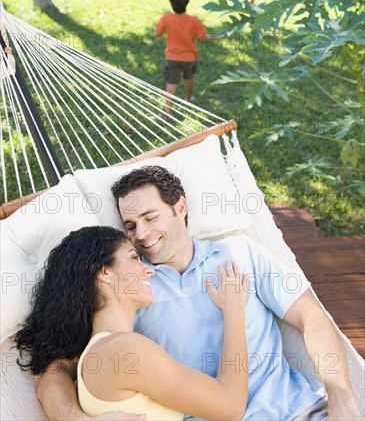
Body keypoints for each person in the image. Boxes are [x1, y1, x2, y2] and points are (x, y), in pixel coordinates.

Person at [36, 166, 363, 421]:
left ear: (180, 206)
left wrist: (342, 396)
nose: (142, 234)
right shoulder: (134, 291)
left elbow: (310, 315)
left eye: (150, 217)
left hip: (299, 410)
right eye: (131, 225)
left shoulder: (240, 253)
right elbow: (57, 369)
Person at [16, 226, 248, 420]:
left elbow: (52, 374)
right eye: (134, 257)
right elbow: (231, 406)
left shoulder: (98, 352)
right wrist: (234, 309)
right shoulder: (125, 350)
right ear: (104, 272)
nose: (149, 270)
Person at [154, 0, 218, 115]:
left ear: (171, 3)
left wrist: (156, 29)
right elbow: (203, 39)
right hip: (190, 58)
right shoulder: (194, 21)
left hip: (172, 58)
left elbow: (157, 34)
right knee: (189, 78)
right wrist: (216, 37)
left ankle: (167, 111)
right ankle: (188, 99)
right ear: (187, 1)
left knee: (171, 83)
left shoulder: (166, 18)